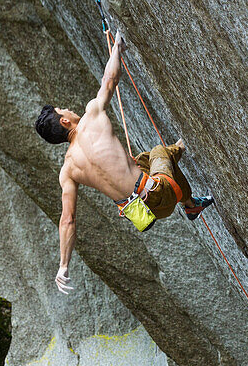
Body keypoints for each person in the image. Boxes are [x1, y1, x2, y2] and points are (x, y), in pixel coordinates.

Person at [34, 30, 212, 294]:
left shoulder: (68, 171)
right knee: (160, 153)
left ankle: (186, 201)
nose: (67, 109)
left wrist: (63, 265)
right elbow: (109, 80)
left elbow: (67, 220)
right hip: (160, 193)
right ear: (63, 121)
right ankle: (190, 201)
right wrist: (117, 45)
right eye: (62, 110)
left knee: (141, 160)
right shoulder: (91, 116)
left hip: (145, 213)